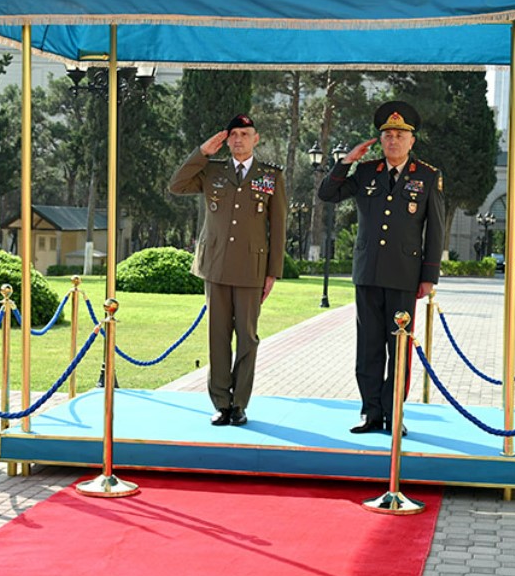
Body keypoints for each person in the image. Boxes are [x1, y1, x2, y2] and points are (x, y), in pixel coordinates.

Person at [318, 101, 445, 434]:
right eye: (387, 135)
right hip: (368, 273)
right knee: (369, 347)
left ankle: (393, 414)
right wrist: (346, 161)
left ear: (411, 141)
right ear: (380, 140)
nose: (393, 141)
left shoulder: (427, 176)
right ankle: (371, 412)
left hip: (405, 276)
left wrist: (429, 276)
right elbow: (327, 194)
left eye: (400, 135)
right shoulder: (364, 172)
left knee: (398, 348)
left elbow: (435, 230)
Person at [169, 114, 287, 426]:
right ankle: (221, 403)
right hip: (216, 265)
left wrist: (272, 272)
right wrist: (202, 152)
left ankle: (239, 404)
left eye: (244, 134)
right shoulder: (212, 171)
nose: (238, 139)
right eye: (233, 134)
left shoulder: (270, 176)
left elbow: (278, 227)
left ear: (255, 139)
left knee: (247, 338)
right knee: (217, 337)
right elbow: (177, 185)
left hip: (251, 268)